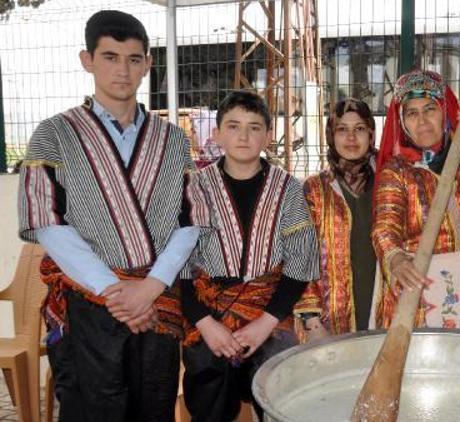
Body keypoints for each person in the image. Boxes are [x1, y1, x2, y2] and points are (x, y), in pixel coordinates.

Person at [17, 10, 197, 421]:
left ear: (148, 64)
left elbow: (190, 223)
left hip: (157, 301)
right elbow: (48, 221)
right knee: (93, 407)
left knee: (154, 405)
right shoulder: (54, 133)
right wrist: (115, 292)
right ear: (87, 60)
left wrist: (149, 286)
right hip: (89, 301)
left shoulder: (172, 140)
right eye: (111, 57)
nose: (123, 70)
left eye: (134, 59)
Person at [179, 91, 320, 421]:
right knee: (206, 387)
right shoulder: (193, 189)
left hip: (270, 317)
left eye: (254, 127)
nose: (243, 136)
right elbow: (178, 265)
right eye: (233, 126)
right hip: (208, 316)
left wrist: (264, 324)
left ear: (268, 136)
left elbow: (301, 261)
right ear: (216, 134)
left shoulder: (288, 189)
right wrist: (206, 324)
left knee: (281, 391)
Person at [371, 69, 460, 330]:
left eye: (430, 109)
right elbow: (385, 226)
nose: (422, 120)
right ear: (402, 122)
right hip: (422, 288)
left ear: (445, 112)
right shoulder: (397, 171)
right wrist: (396, 259)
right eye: (412, 113)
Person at [293, 98, 379, 340]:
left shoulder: (391, 181)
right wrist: (310, 319)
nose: (351, 138)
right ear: (331, 135)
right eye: (342, 129)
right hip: (330, 318)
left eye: (359, 129)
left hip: (385, 310)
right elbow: (301, 254)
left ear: (371, 134)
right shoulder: (315, 189)